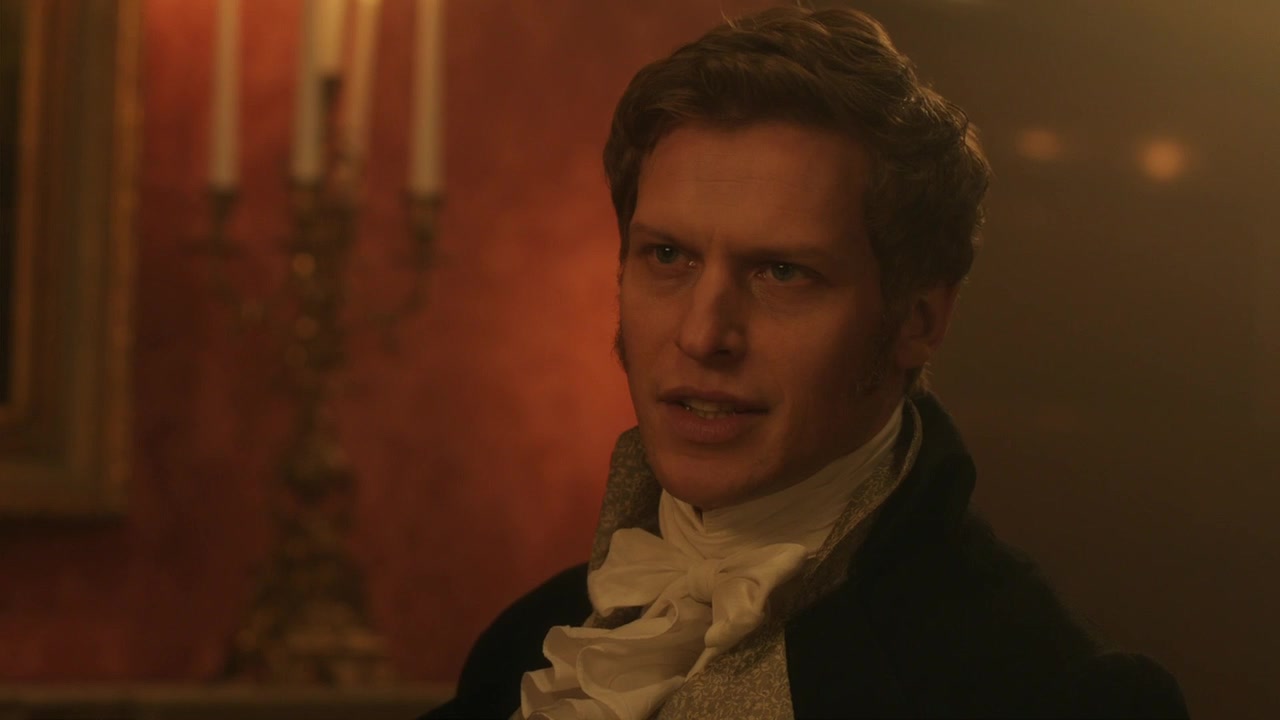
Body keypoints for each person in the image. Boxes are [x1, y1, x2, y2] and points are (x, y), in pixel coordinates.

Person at [425, 6, 1188, 719]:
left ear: (918, 322)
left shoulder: (1052, 691)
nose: (703, 334)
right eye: (667, 256)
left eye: (782, 272)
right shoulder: (525, 649)